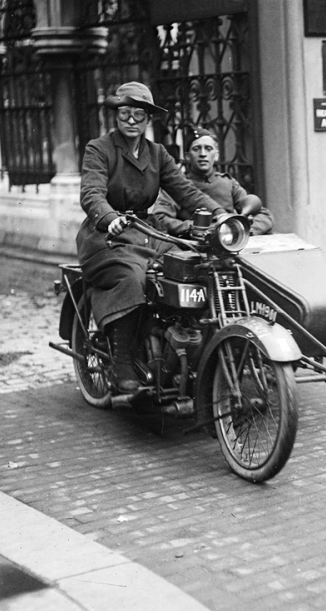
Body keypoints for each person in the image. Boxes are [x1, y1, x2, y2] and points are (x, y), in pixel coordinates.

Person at [77, 82, 225, 393]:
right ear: (116, 115)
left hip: (146, 231)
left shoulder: (158, 154)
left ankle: (182, 344)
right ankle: (121, 361)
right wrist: (109, 218)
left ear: (148, 120)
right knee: (132, 276)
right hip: (106, 236)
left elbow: (185, 191)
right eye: (125, 113)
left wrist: (221, 215)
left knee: (189, 264)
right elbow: (91, 193)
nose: (131, 120)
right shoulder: (98, 149)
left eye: (139, 115)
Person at [151, 126, 274, 235]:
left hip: (231, 241)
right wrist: (194, 227)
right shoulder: (179, 186)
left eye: (208, 148)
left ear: (216, 155)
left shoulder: (228, 183)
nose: (203, 154)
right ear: (187, 156)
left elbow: (265, 216)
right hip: (196, 245)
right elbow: (160, 218)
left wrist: (244, 230)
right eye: (196, 149)